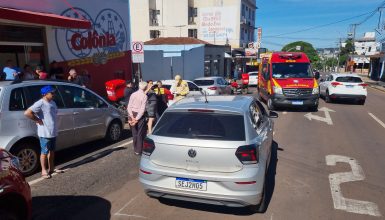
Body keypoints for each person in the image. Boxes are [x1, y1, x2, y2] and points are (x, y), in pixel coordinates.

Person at [24, 86, 63, 179]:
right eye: (52, 93)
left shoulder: (53, 102)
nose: (54, 95)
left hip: (52, 131)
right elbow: (27, 113)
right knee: (44, 152)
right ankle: (43, 170)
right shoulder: (40, 103)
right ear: (45, 94)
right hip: (45, 133)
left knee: (52, 151)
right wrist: (37, 119)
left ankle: (52, 168)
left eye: (54, 93)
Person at [127, 81, 148, 155]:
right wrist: (136, 119)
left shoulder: (133, 94)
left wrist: (131, 117)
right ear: (145, 87)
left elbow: (129, 106)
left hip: (132, 113)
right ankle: (139, 150)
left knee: (134, 132)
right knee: (140, 133)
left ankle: (135, 148)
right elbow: (142, 109)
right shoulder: (144, 96)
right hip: (139, 115)